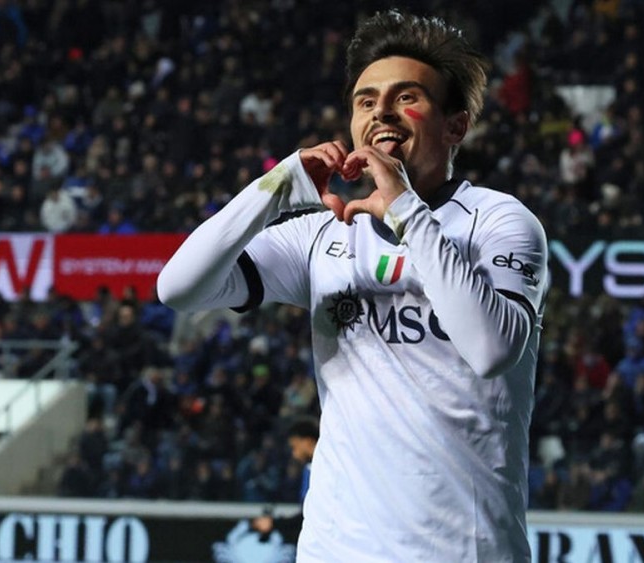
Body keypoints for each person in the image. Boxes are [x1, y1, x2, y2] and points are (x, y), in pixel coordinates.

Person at [158, 9, 549, 561]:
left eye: (406, 97)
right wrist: (274, 189)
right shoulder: (324, 233)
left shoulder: (498, 221)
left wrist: (406, 209)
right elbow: (178, 288)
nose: (381, 111)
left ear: (455, 126)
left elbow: (492, 350)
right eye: (366, 102)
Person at [250, 419, 319, 541]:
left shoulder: (323, 471)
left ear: (308, 442)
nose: (293, 454)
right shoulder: (308, 469)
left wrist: (274, 523)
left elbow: (312, 516)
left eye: (294, 447)